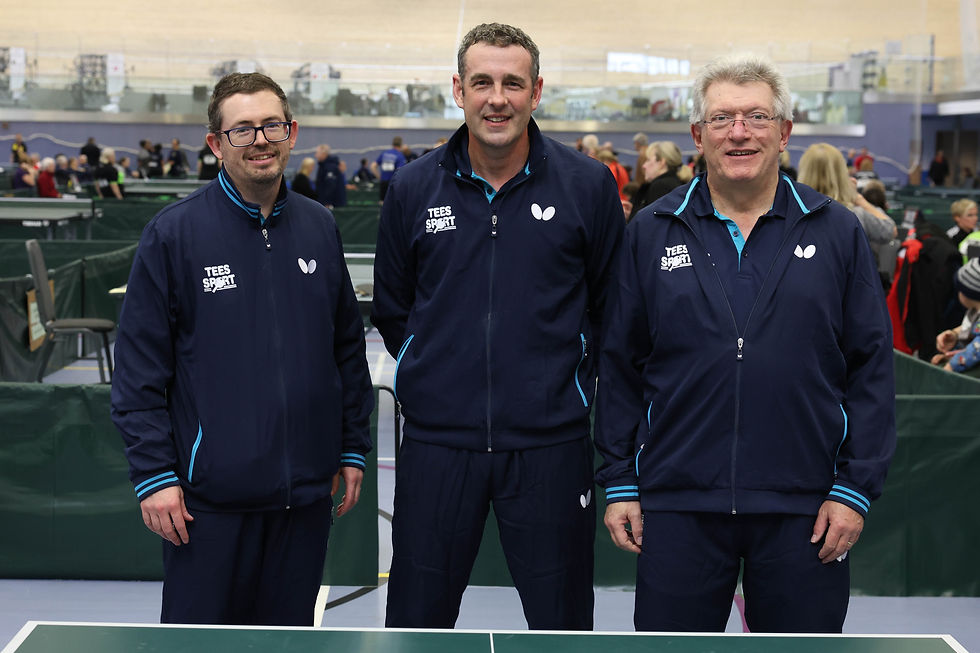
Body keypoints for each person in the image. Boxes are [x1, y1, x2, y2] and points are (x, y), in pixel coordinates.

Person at [596, 53, 896, 634]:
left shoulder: (836, 232)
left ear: (784, 133)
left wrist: (854, 488)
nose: (739, 132)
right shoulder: (652, 231)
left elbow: (871, 370)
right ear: (697, 135)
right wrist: (620, 480)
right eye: (722, 119)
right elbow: (621, 364)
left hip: (806, 507)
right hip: (678, 502)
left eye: (756, 117)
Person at [373, 22, 623, 631]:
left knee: (561, 624)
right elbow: (393, 306)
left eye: (513, 83)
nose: (497, 98)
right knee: (416, 621)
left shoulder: (587, 185)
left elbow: (611, 309)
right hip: (438, 445)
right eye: (482, 82)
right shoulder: (411, 186)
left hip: (551, 447)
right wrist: (429, 375)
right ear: (457, 89)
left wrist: (569, 385)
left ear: (537, 92)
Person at [110, 72, 374, 627]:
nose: (260, 139)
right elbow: (137, 375)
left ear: (292, 132)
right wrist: (155, 477)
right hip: (208, 508)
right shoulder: (173, 234)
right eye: (242, 129)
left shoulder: (319, 227)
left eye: (271, 125)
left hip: (303, 502)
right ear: (215, 145)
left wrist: (350, 446)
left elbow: (347, 347)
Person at [797, 143, 897, 250]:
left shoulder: (789, 214)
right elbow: (891, 230)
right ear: (841, 175)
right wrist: (857, 198)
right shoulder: (854, 216)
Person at [931, 258, 980, 374]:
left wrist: (953, 365)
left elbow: (977, 348)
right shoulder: (974, 312)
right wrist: (955, 336)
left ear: (967, 293)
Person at [627, 140, 684, 221]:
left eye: (648, 160)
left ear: (661, 162)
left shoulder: (661, 187)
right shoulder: (674, 184)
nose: (644, 166)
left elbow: (651, 225)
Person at [371, 136, 407, 201]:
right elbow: (401, 171)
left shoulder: (384, 153)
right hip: (393, 184)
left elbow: (373, 166)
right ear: (401, 144)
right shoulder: (400, 156)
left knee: (382, 203)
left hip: (383, 182)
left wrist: (379, 177)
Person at [315, 144, 347, 208]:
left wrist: (327, 202)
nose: (316, 155)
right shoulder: (323, 166)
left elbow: (330, 185)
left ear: (324, 154)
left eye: (317, 153)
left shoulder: (330, 167)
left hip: (333, 204)